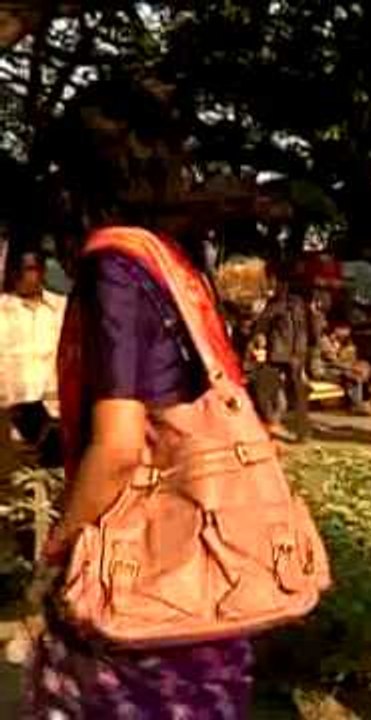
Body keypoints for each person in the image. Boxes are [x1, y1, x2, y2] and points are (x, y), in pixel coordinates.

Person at [23, 76, 256, 718]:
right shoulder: (174, 264)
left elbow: (121, 446)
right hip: (205, 570)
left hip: (139, 581)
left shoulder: (114, 267)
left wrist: (57, 550)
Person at [0, 248, 67, 467]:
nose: (21, 276)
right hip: (11, 425)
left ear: (42, 271)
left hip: (57, 420)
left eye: (28, 269)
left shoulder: (61, 308)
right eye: (16, 270)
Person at [257, 262, 310, 440]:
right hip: (295, 352)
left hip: (281, 353)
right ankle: (299, 430)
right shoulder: (299, 304)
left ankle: (274, 422)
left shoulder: (278, 303)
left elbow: (262, 324)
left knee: (270, 388)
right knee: (296, 392)